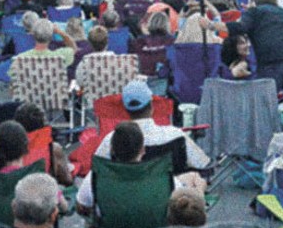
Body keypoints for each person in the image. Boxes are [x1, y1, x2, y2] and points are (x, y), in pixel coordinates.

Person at [80, 80, 211, 211]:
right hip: (167, 204)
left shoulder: (112, 139)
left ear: (125, 110)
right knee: (196, 178)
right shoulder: (175, 135)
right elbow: (201, 163)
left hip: (122, 202)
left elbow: (98, 170)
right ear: (152, 106)